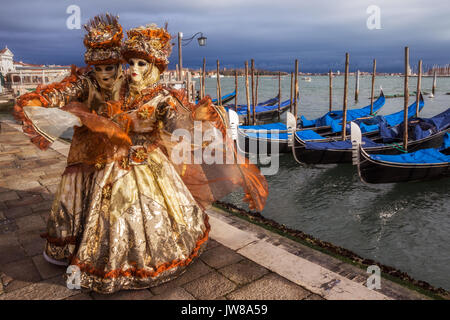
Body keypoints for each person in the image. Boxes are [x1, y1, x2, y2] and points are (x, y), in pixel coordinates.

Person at [14, 20, 268, 294]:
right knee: (101, 215)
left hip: (147, 164)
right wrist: (42, 101)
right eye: (130, 63)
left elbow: (178, 124)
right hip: (109, 161)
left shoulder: (163, 97)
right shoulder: (117, 87)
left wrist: (197, 117)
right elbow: (78, 87)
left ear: (155, 66)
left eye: (140, 64)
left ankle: (137, 263)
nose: (133, 70)